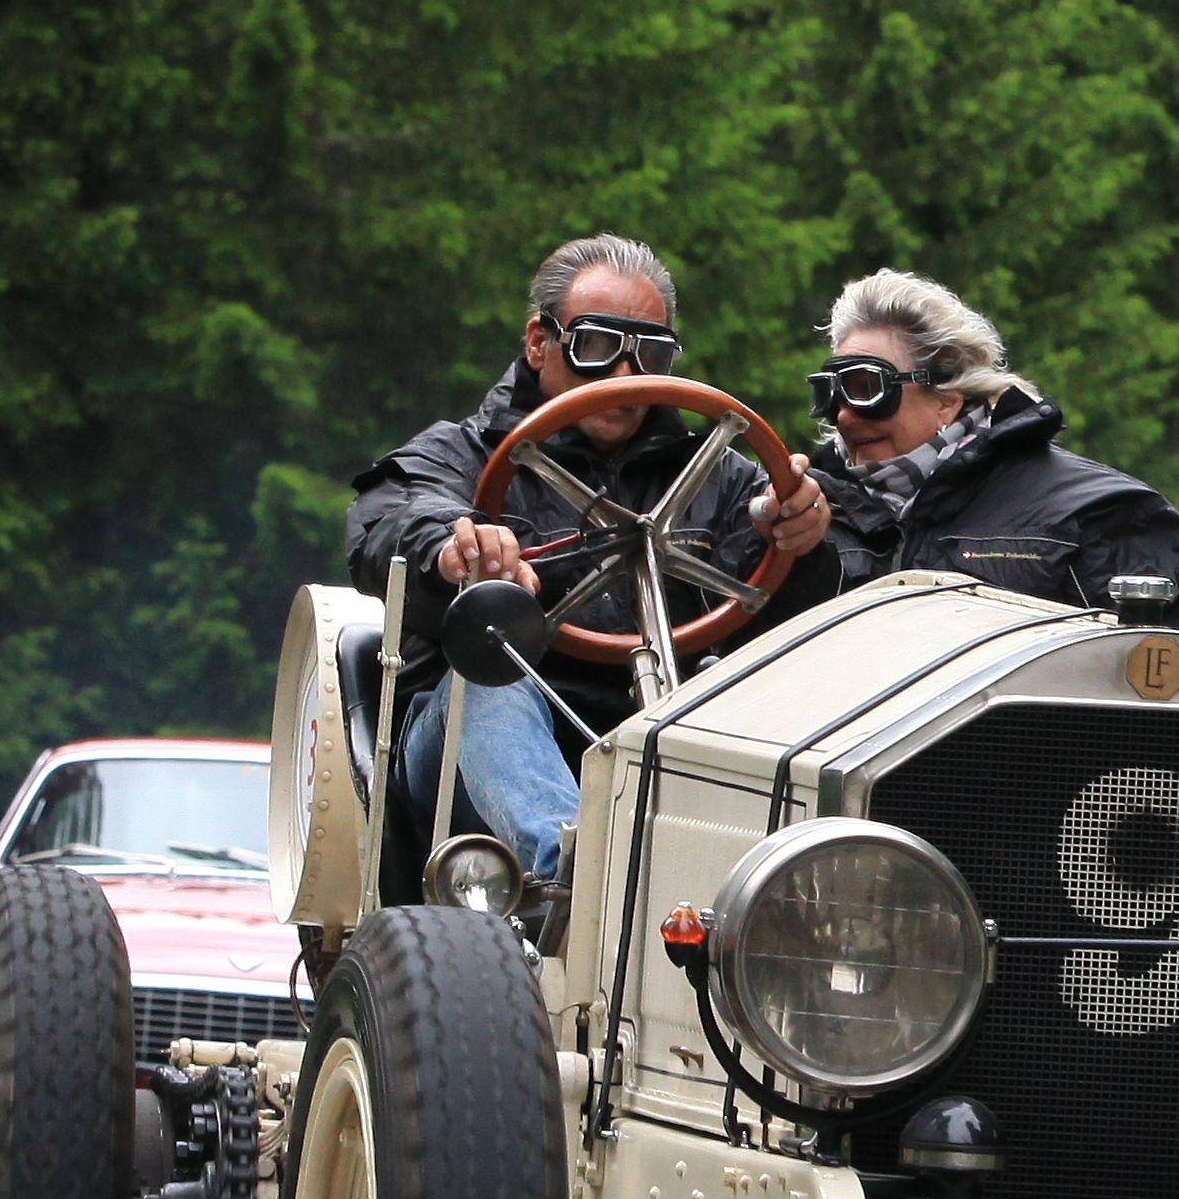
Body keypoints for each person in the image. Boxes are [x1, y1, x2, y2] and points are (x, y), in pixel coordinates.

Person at [343, 233, 826, 890]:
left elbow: (784, 611)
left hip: (663, 732)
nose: (627, 378)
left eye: (650, 354)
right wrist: (455, 548)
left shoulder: (722, 479)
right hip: (472, 746)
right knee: (489, 680)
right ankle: (583, 881)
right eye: (597, 346)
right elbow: (392, 523)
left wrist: (796, 534)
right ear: (540, 343)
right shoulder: (458, 456)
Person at [798, 268, 1179, 633]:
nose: (844, 417)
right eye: (830, 394)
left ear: (947, 398)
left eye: (865, 389)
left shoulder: (1102, 516)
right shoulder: (800, 517)